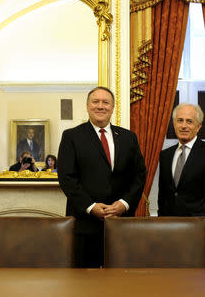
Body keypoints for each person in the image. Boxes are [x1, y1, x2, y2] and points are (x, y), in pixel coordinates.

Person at [58, 86, 146, 268]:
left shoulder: (129, 137)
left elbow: (139, 176)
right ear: (87, 106)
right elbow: (67, 178)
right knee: (85, 284)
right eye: (95, 102)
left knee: (120, 282)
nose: (100, 106)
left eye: (105, 102)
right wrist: (90, 207)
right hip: (85, 224)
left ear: (112, 107)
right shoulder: (72, 136)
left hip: (121, 223)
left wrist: (124, 204)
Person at [157, 103, 205, 260]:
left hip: (200, 233)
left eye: (189, 121)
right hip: (169, 234)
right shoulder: (165, 155)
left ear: (198, 126)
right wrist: (161, 225)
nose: (183, 125)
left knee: (199, 283)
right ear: (173, 123)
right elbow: (163, 195)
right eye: (180, 120)